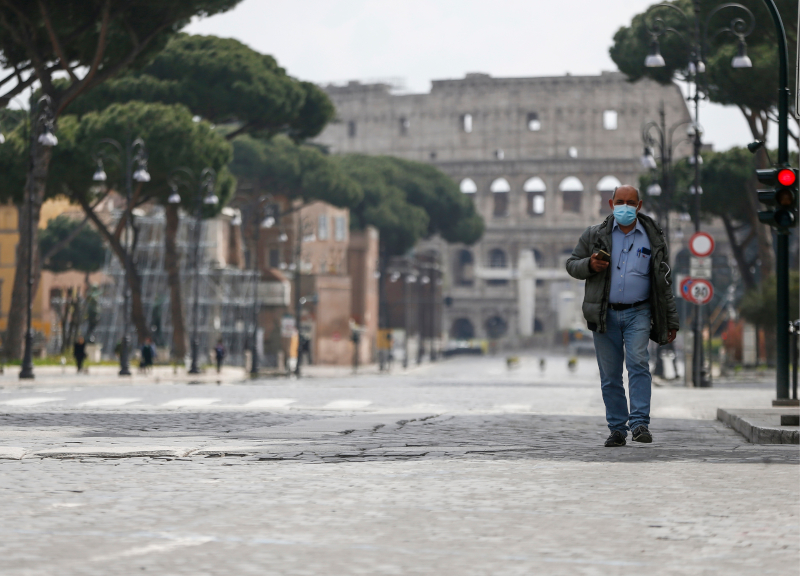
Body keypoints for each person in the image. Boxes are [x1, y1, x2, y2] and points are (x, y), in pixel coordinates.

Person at [566, 185, 678, 448]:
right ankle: (617, 429)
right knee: (610, 375)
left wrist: (671, 320)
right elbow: (571, 264)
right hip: (604, 313)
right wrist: (590, 264)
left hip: (639, 311)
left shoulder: (653, 238)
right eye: (620, 202)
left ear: (639, 206)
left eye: (630, 202)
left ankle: (639, 424)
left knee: (639, 362)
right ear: (611, 203)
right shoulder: (594, 235)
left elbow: (664, 282)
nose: (624, 207)